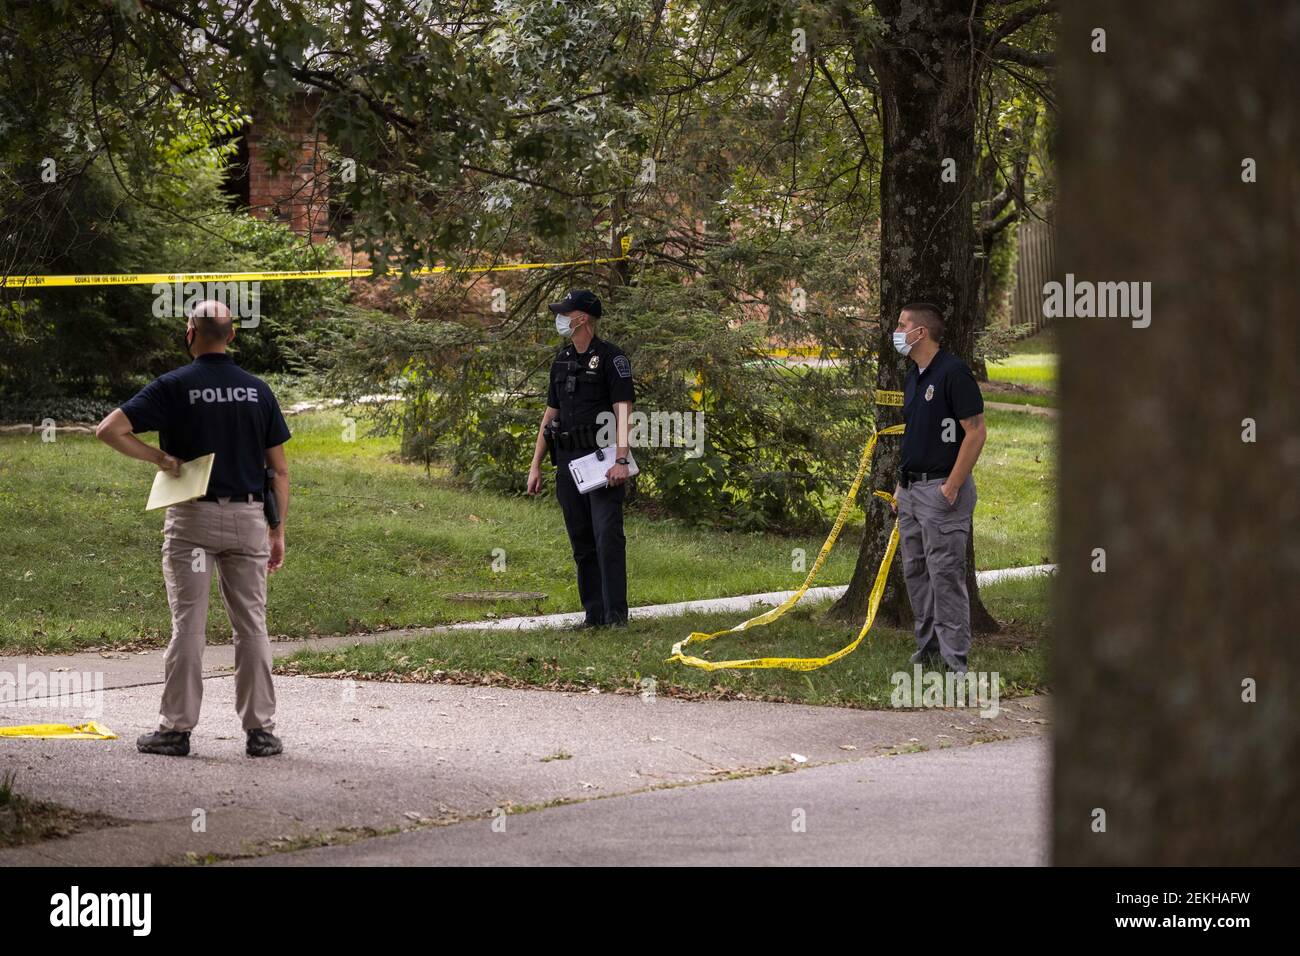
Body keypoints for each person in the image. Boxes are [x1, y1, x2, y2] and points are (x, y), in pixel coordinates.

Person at [95, 300, 291, 757]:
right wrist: (276, 531)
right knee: (252, 627)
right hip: (248, 521)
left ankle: (176, 730)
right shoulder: (258, 391)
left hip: (192, 519)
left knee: (189, 627)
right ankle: (260, 731)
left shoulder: (174, 386)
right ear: (232, 335)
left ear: (190, 333)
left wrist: (159, 458)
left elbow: (109, 429)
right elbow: (278, 471)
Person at [526, 289, 634, 629]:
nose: (560, 318)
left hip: (602, 461)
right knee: (582, 540)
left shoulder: (612, 359)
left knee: (607, 536)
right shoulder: (562, 360)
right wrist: (536, 464)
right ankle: (594, 615)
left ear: (582, 318)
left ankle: (616, 617)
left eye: (565, 312)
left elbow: (624, 411)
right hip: (568, 461)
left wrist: (621, 459)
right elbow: (550, 414)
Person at [889, 302, 987, 676]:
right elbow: (915, 436)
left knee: (945, 574)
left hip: (942, 491)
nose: (896, 332)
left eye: (902, 325)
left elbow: (976, 432)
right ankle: (928, 650)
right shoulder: (914, 375)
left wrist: (953, 486)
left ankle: (953, 659)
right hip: (912, 491)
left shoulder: (953, 373)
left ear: (921, 333)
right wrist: (901, 484)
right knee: (916, 572)